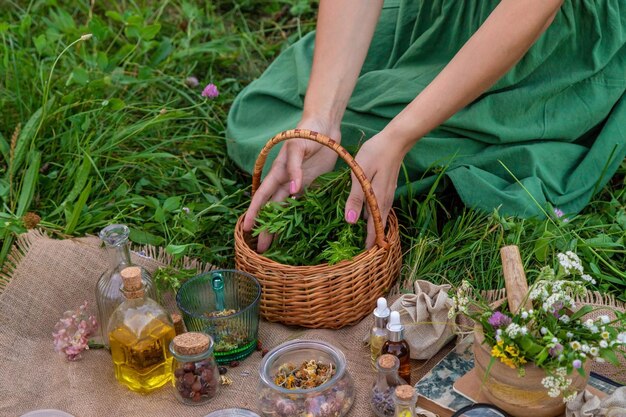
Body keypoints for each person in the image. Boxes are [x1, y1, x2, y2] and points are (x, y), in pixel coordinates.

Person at [226, 0, 626, 251]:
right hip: (447, 13)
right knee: (268, 117)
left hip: (545, 34)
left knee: (395, 149)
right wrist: (321, 118)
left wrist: (401, 135)